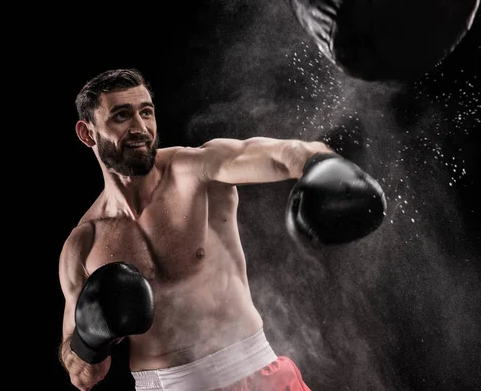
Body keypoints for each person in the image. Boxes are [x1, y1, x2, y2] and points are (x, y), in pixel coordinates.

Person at [58, 68, 386, 391]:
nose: (141, 128)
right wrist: (91, 338)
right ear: (88, 133)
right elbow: (83, 376)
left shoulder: (195, 170)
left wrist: (324, 165)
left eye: (146, 112)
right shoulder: (83, 245)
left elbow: (281, 155)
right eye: (121, 116)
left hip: (257, 378)